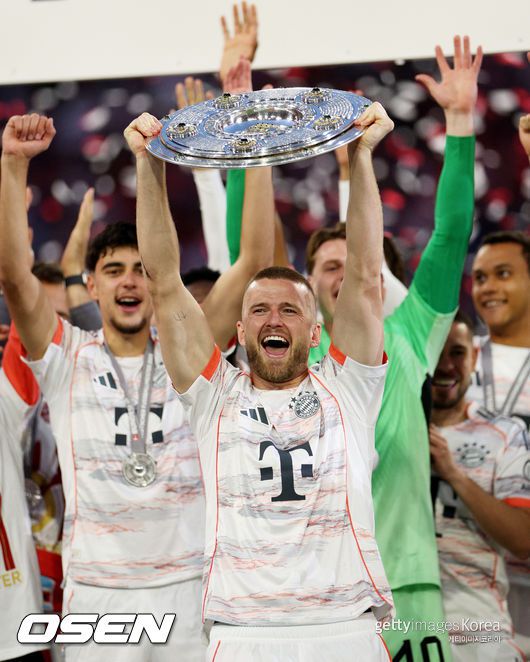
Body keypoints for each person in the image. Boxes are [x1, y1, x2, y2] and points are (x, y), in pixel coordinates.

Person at [0, 110, 274, 661]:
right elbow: (13, 276)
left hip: (189, 585)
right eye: (114, 270)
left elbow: (254, 263)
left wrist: (262, 147)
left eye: (140, 270)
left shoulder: (189, 350)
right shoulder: (66, 356)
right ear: (91, 285)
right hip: (97, 593)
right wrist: (11, 165)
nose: (129, 281)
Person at [127, 98, 394, 660]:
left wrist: (363, 157)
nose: (274, 319)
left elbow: (366, 276)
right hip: (243, 633)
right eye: (260, 310)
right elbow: (163, 280)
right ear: (240, 329)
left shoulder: (348, 387)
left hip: (345, 627)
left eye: (289, 310)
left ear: (316, 331)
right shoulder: (213, 397)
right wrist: (148, 165)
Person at [303, 36, 481, 660]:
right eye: (329, 266)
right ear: (308, 286)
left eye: (358, 261)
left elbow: (451, 233)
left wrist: (460, 122)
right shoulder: (290, 360)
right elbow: (241, 257)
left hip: (406, 582)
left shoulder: (410, 334)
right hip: (316, 589)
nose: (347, 272)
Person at [429, 312, 530, 661]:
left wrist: (453, 473)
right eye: (436, 351)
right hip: (401, 619)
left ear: (474, 357)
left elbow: (523, 540)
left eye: (457, 352)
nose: (445, 366)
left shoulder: (505, 433)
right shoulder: (390, 426)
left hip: (476, 622)